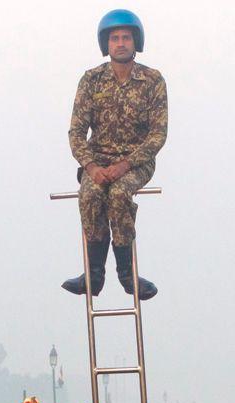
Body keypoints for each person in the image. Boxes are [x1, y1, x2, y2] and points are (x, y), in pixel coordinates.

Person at [63, 8, 167, 300]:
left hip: (136, 163)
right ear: (105, 45)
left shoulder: (153, 81)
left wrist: (127, 164)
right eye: (114, 38)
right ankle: (93, 275)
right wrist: (91, 166)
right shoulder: (91, 81)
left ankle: (126, 274)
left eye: (125, 37)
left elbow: (158, 134)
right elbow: (76, 132)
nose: (120, 43)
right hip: (98, 162)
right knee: (91, 195)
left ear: (136, 42)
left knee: (119, 194)